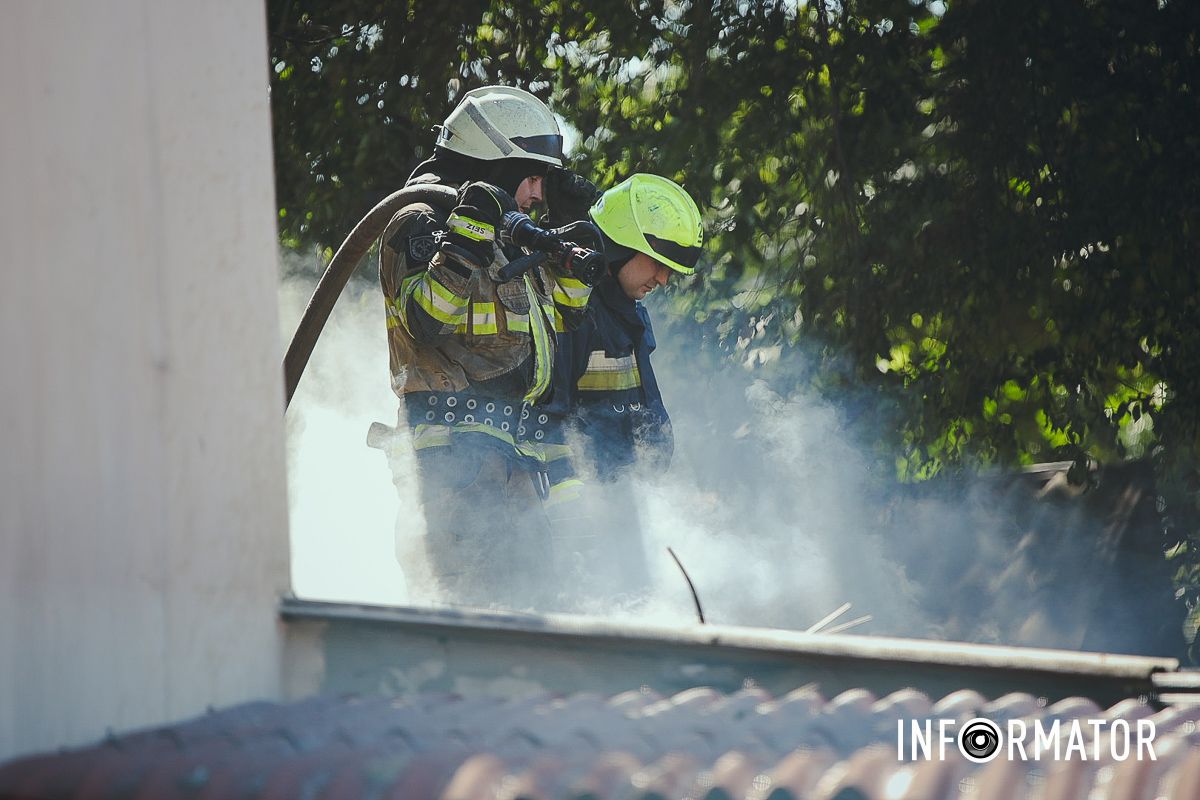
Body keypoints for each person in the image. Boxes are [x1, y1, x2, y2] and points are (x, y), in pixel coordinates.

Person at [376, 85, 596, 609]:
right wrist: (464, 244)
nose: (538, 194)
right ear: (495, 163)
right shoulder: (421, 220)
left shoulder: (506, 235)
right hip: (452, 466)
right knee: (473, 622)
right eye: (534, 177)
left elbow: (563, 315)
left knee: (535, 618)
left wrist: (580, 238)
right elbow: (426, 319)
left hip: (513, 462)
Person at [545, 174, 705, 603]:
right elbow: (548, 416)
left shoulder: (628, 313)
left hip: (619, 507)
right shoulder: (574, 311)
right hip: (577, 516)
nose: (664, 280)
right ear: (619, 247)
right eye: (657, 264)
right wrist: (571, 512)